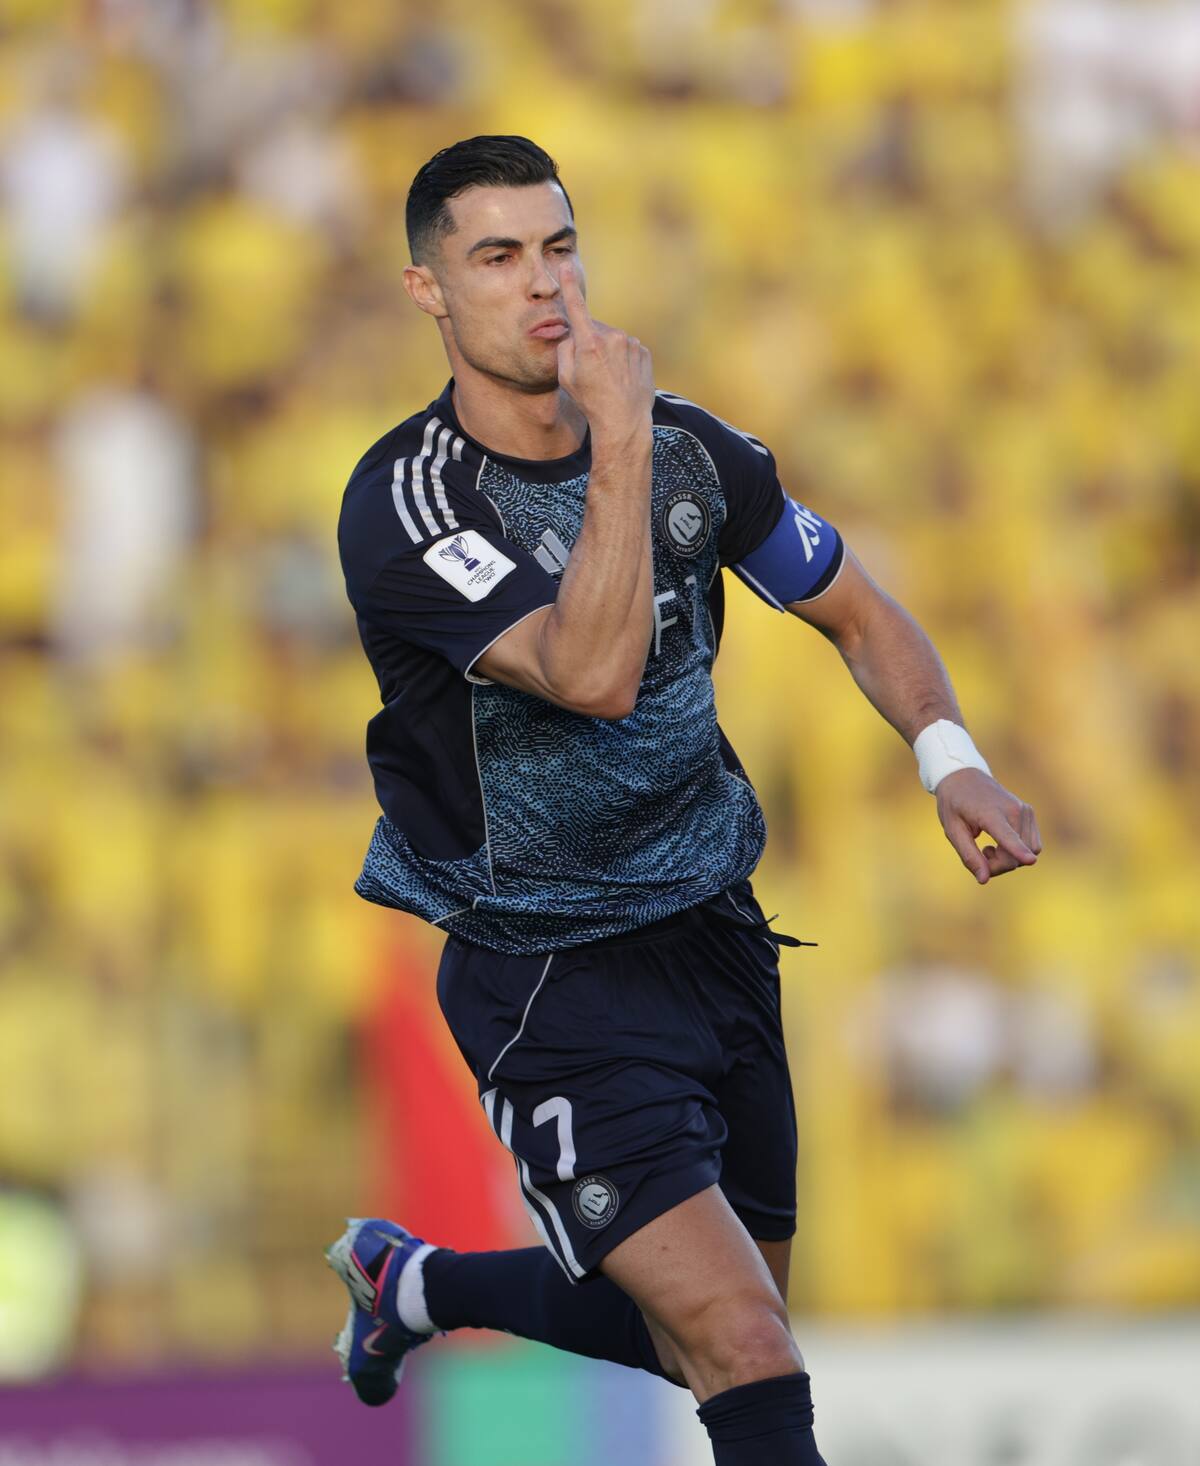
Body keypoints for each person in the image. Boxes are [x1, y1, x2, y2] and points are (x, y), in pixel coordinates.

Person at [328, 135, 1042, 1466]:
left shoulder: (698, 455)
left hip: (715, 933)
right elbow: (590, 673)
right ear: (429, 291)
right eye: (496, 257)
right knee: (748, 1347)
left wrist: (952, 755)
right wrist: (618, 448)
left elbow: (857, 608)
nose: (542, 286)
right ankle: (414, 1285)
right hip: (546, 967)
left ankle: (411, 1286)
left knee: (717, 1329)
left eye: (558, 246)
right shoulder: (407, 503)